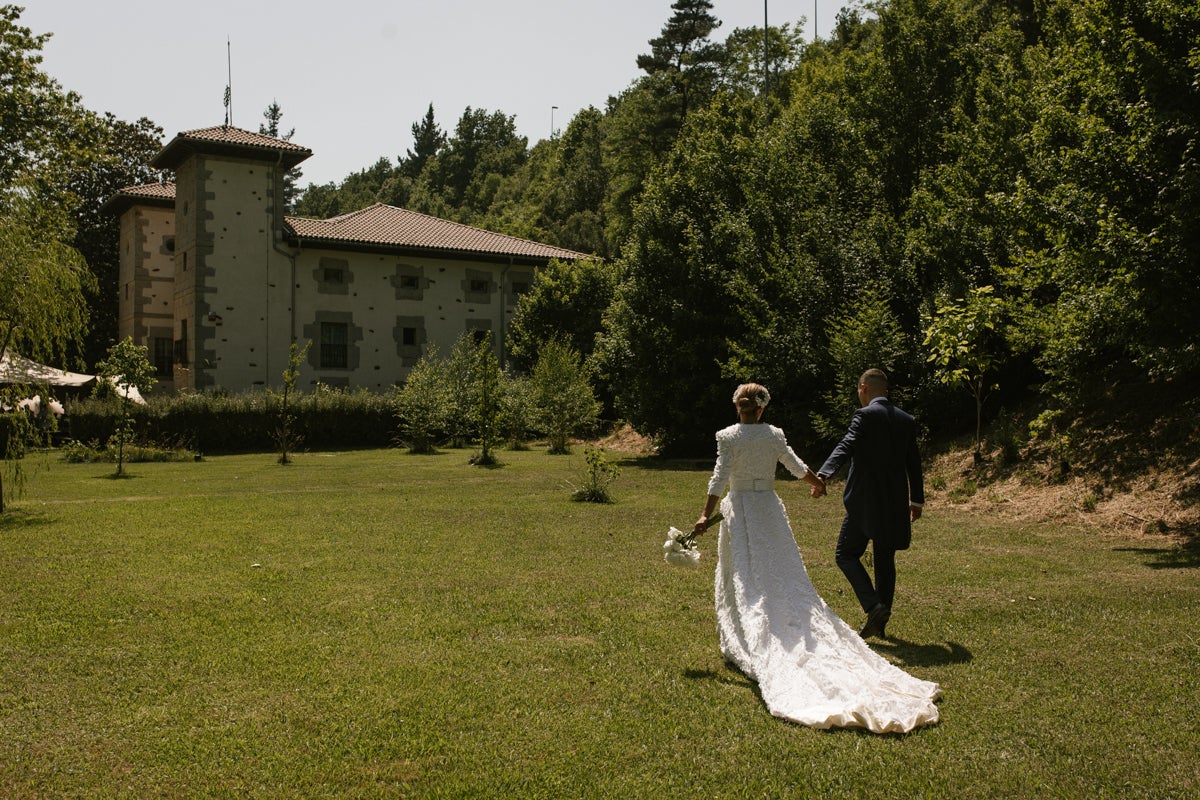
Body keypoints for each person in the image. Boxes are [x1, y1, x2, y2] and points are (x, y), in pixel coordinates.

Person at [693, 383, 940, 733]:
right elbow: (794, 465)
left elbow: (719, 478)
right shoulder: (774, 434)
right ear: (761, 409)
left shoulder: (727, 437)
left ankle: (747, 628)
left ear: (738, 408)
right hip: (768, 509)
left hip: (742, 511)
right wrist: (816, 481)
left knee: (745, 573)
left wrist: (705, 514)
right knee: (783, 568)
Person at [816, 368, 925, 640]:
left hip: (864, 501)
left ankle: (874, 607)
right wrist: (917, 500)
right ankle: (881, 624)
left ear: (863, 388)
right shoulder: (906, 419)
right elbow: (914, 463)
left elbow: (847, 444)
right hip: (895, 501)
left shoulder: (864, 415)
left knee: (846, 554)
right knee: (885, 560)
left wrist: (824, 473)